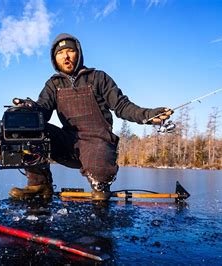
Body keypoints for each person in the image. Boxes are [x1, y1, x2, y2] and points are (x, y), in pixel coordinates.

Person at [9, 33, 172, 201]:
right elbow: (42, 112)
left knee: (99, 186)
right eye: (60, 53)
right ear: (54, 59)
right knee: (27, 128)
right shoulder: (53, 84)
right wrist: (30, 109)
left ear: (78, 53)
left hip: (98, 142)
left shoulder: (98, 77)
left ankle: (100, 186)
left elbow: (122, 106)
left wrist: (148, 115)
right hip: (68, 144)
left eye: (70, 50)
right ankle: (39, 183)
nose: (65, 56)